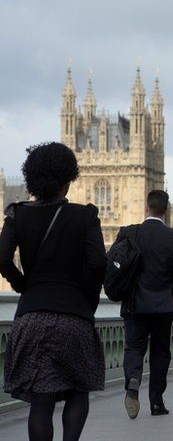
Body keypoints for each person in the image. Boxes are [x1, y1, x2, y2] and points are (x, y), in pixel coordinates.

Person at [0, 142, 106, 441]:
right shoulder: (84, 216)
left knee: (41, 401)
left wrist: (23, 284)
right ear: (68, 178)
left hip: (31, 316)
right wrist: (86, 297)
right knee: (77, 390)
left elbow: (2, 259)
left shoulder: (17, 214)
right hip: (74, 317)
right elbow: (98, 262)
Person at [116, 189, 173, 418]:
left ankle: (133, 381)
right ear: (166, 211)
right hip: (163, 305)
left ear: (146, 207)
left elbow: (113, 266)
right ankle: (157, 402)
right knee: (160, 351)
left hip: (134, 304)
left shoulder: (129, 233)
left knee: (134, 347)